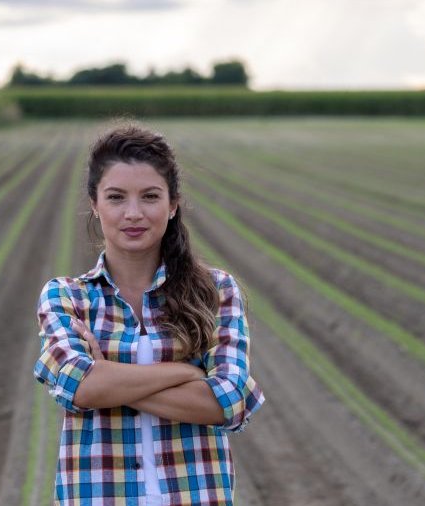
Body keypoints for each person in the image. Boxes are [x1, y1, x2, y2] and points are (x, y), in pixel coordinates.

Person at [33, 121, 265, 506]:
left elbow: (227, 402)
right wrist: (186, 372)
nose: (134, 213)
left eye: (150, 196)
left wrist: (108, 375)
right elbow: (81, 388)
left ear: (173, 204)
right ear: (95, 203)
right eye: (116, 197)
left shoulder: (217, 292)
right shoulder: (67, 296)